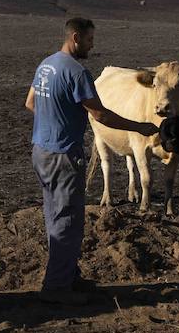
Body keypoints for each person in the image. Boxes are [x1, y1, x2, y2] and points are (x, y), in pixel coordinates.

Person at [25, 17, 158, 304]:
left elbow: (31, 103)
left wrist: (52, 121)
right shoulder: (77, 72)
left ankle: (68, 277)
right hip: (63, 154)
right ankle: (57, 289)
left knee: (54, 214)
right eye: (89, 40)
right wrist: (139, 126)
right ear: (75, 38)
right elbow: (100, 115)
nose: (92, 45)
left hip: (41, 150)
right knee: (68, 219)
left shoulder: (46, 65)